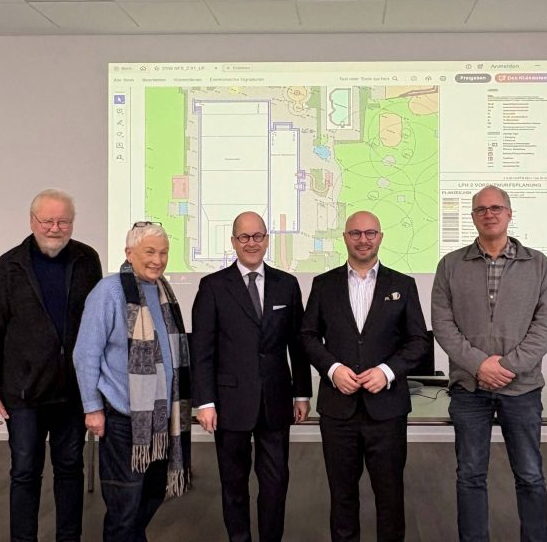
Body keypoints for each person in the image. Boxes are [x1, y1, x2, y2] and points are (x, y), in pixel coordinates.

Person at [431, 184, 547, 542]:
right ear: (473, 217)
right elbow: (443, 324)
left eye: (496, 208)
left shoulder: (538, 264)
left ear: (509, 213)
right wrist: (479, 365)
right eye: (481, 209)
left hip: (523, 389)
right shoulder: (451, 265)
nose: (489, 214)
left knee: (530, 475)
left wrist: (508, 367)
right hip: (469, 390)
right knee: (470, 475)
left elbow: (546, 325)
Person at [0, 189, 102, 542]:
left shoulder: (87, 259)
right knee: (25, 473)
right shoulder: (9, 266)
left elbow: (96, 325)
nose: (55, 228)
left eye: (64, 221)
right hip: (24, 393)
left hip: (72, 392)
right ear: (32, 222)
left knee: (70, 471)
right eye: (47, 220)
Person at [300, 211, 429, 542]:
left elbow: (418, 341)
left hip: (386, 409)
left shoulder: (403, 285)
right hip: (338, 410)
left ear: (381, 237)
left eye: (370, 232)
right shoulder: (323, 284)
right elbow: (308, 336)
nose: (363, 239)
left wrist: (387, 372)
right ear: (344, 237)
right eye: (355, 233)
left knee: (390, 496)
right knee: (342, 496)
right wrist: (332, 369)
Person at [191, 211, 313, 542]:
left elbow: (297, 345)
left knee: (275, 483)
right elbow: (202, 350)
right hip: (229, 404)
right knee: (234, 484)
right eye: (244, 237)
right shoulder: (213, 286)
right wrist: (204, 401)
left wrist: (302, 394)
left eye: (258, 236)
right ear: (233, 242)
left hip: (276, 401)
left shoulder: (286, 285)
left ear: (267, 239)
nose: (251, 243)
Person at [73, 221, 192, 542]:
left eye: (163, 252)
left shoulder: (164, 290)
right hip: (124, 420)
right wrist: (92, 408)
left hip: (162, 421)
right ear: (128, 253)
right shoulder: (109, 291)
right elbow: (85, 354)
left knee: (153, 494)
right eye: (149, 252)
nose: (158, 259)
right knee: (124, 505)